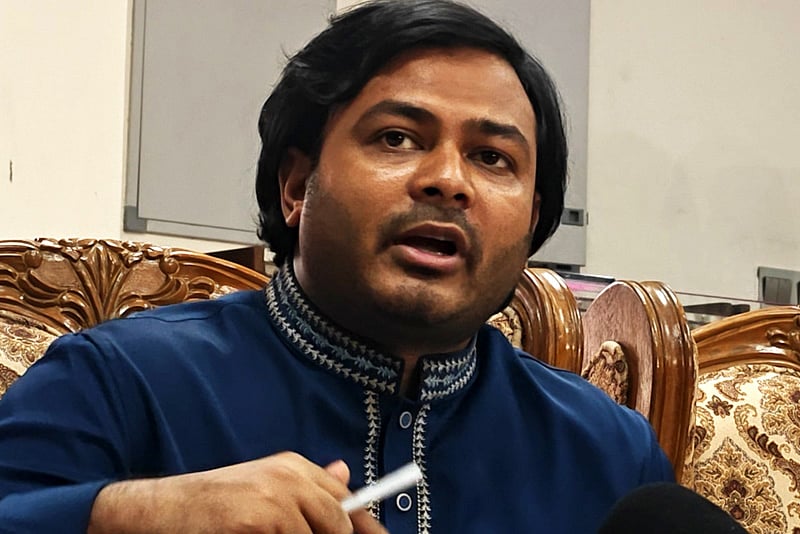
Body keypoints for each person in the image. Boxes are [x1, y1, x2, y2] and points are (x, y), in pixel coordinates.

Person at [0, 1, 674, 532]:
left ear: (532, 222)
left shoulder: (610, 451)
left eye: (492, 158)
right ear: (297, 187)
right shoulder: (119, 380)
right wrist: (129, 516)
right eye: (397, 138)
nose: (448, 180)